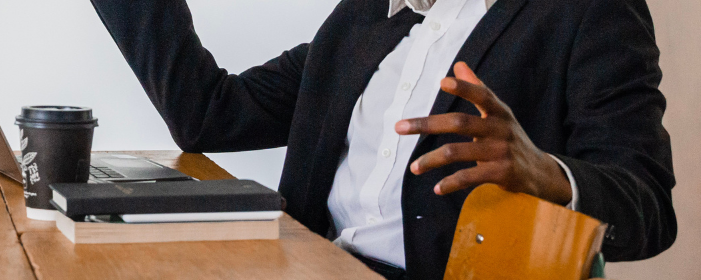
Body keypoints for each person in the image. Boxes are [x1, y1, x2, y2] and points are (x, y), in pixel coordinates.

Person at [90, 0, 675, 278]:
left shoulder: (589, 13)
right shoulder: (366, 17)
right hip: (306, 265)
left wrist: (548, 173)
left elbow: (648, 205)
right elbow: (210, 115)